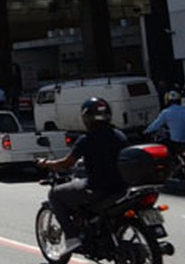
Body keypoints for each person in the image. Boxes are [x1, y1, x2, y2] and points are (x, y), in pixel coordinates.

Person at [36, 97, 128, 254]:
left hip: (97, 188)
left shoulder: (86, 139)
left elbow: (66, 164)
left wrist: (46, 163)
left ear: (86, 118)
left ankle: (72, 238)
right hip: (121, 188)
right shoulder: (119, 135)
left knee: (54, 194)